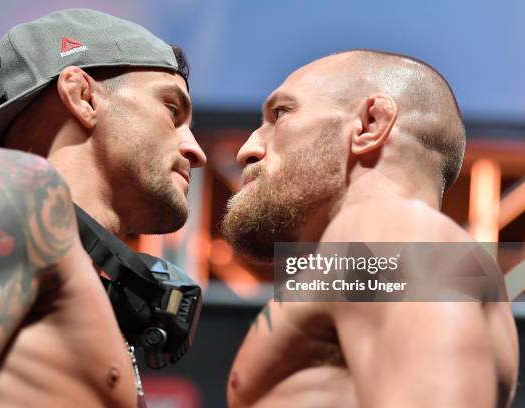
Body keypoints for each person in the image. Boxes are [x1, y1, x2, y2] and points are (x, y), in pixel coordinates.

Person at [0, 8, 205, 407]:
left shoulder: (77, 279)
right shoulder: (4, 187)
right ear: (83, 97)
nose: (196, 150)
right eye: (173, 111)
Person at [222, 50, 518, 407]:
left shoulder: (394, 229)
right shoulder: (391, 245)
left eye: (280, 114)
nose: (247, 150)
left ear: (370, 124)